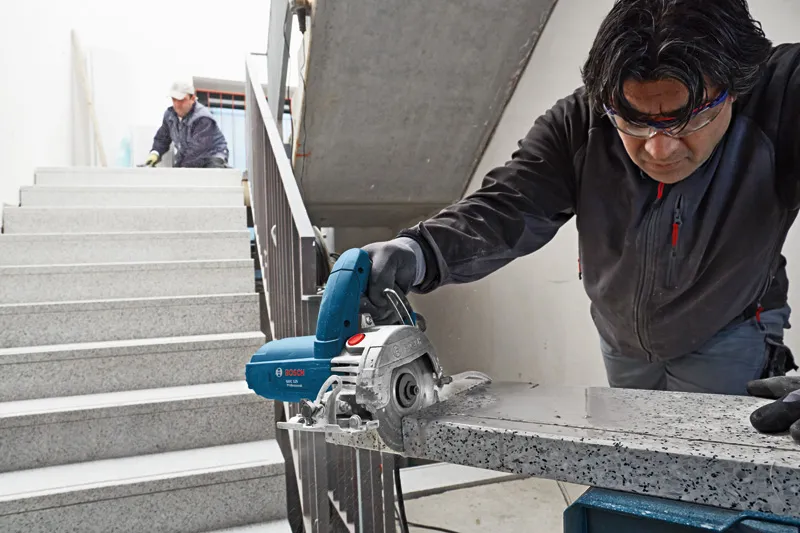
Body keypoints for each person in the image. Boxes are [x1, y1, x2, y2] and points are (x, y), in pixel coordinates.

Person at [361, 0, 800, 404]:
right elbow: (508, 206)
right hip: (622, 342)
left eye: (688, 119)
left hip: (730, 333)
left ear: (738, 85)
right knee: (643, 465)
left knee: (718, 481)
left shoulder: (783, 98)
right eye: (633, 121)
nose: (659, 150)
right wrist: (416, 251)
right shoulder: (579, 121)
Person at [143, 80, 229, 168]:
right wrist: (155, 153)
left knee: (209, 175)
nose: (177, 104)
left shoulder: (203, 118)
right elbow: (162, 138)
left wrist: (176, 169)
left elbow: (195, 152)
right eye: (174, 99)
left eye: (181, 100)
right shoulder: (170, 116)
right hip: (191, 157)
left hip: (211, 157)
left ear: (192, 98)